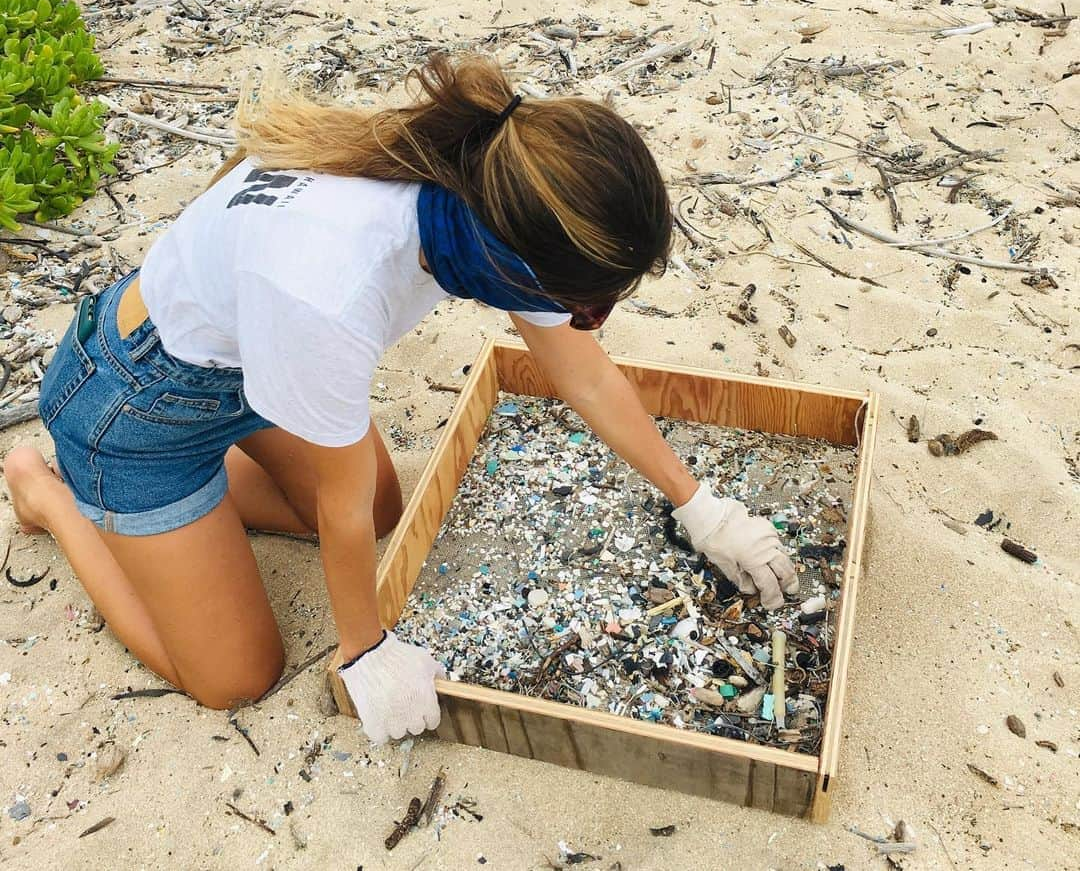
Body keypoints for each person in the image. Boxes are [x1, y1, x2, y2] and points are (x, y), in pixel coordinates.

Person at [3, 52, 797, 743]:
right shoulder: (336, 283)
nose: (587, 320)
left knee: (389, 507)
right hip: (135, 407)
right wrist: (365, 650)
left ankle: (182, 519)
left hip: (251, 366)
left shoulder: (487, 184)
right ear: (515, 258)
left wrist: (698, 504)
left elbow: (581, 369)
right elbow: (338, 509)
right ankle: (55, 497)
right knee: (237, 675)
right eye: (586, 302)